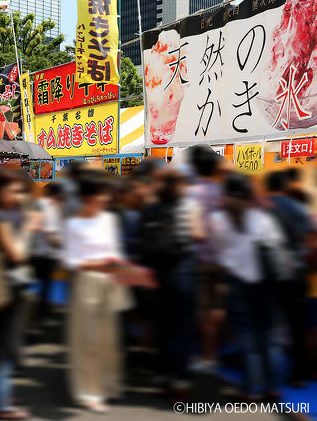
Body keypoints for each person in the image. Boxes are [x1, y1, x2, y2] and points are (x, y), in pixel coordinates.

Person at [209, 173, 285, 401]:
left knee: (246, 338)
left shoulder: (217, 220)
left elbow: (218, 254)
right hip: (265, 285)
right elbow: (278, 248)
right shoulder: (262, 219)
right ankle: (273, 388)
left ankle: (252, 389)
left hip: (237, 283)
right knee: (269, 339)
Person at [63, 174, 130, 413]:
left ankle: (109, 385)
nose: (105, 199)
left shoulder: (109, 219)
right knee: (87, 340)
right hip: (87, 283)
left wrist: (120, 266)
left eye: (106, 194)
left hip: (110, 281)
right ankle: (88, 392)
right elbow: (70, 261)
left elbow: (115, 250)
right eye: (100, 194)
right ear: (86, 198)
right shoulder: (73, 224)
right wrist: (96, 266)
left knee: (109, 339)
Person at [0, 169, 39, 420]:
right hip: (2, 289)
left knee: (2, 345)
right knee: (0, 346)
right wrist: (28, 226)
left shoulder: (7, 213)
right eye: (13, 190)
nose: (19, 195)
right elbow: (17, 254)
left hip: (8, 288)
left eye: (20, 190)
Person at [139, 168, 203, 397]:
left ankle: (163, 376)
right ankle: (180, 379)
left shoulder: (151, 208)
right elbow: (198, 234)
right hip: (183, 271)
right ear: (180, 185)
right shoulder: (189, 206)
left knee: (164, 326)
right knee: (182, 327)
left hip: (158, 273)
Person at [265, 170, 315, 386]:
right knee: (297, 327)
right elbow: (311, 241)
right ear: (284, 186)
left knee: (271, 326)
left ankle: (270, 378)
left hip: (268, 274)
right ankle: (298, 374)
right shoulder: (297, 208)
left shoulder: (262, 209)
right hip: (295, 272)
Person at [187, 144, 226, 374]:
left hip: (200, 257)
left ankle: (206, 354)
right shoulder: (222, 192)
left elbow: (194, 232)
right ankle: (214, 351)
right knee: (218, 305)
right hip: (222, 257)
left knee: (203, 308)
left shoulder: (193, 193)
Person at [31, 180, 64, 321]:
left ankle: (41, 314)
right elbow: (50, 234)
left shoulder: (41, 204)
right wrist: (63, 246)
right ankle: (42, 316)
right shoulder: (48, 205)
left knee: (43, 284)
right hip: (45, 253)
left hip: (40, 252)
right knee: (45, 285)